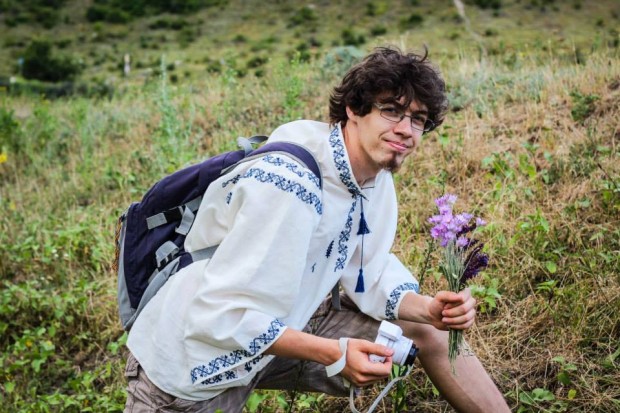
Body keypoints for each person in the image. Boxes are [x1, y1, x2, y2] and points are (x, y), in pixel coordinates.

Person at [124, 46, 510, 413]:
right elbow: (221, 314)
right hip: (192, 362)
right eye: (391, 111)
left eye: (418, 120)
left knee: (424, 331)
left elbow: (366, 273)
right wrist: (334, 353)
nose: (406, 130)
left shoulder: (371, 178)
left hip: (279, 328)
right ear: (354, 109)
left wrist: (428, 309)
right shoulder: (288, 183)